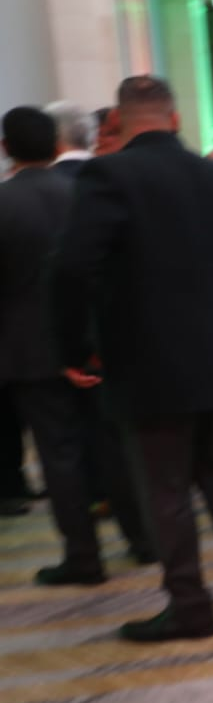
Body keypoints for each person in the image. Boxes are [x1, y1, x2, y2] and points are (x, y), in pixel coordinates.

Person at [52, 76, 213, 641]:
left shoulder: (108, 175)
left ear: (118, 124)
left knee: (165, 487)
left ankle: (191, 606)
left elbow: (73, 268)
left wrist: (75, 348)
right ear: (175, 119)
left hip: (145, 363)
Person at [0, 107, 152, 583]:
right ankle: (142, 539)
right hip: (93, 343)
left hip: (30, 352)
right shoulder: (82, 193)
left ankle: (84, 558)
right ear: (56, 145)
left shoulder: (3, 203)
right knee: (113, 444)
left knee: (59, 456)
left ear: (6, 148)